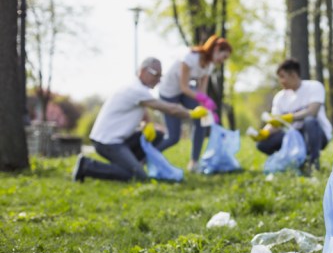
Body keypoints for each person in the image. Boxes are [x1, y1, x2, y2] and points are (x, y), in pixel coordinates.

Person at [72, 57, 208, 182]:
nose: (159, 80)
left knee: (158, 135)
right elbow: (169, 109)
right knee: (138, 176)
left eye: (161, 76)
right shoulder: (135, 89)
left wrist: (147, 123)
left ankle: (131, 164)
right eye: (156, 75)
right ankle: (87, 166)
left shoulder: (137, 89)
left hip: (119, 141)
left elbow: (141, 110)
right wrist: (191, 114)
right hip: (107, 142)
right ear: (143, 71)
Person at [156, 34, 232, 172]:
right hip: (169, 93)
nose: (223, 61)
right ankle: (150, 155)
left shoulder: (209, 66)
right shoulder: (190, 58)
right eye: (224, 56)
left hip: (184, 93)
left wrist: (207, 109)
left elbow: (201, 91)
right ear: (216, 49)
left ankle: (194, 162)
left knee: (203, 118)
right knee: (173, 137)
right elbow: (184, 86)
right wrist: (204, 99)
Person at [251, 58, 333, 172]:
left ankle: (313, 164)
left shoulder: (314, 87)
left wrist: (289, 117)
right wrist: (264, 133)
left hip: (316, 134)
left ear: (293, 75)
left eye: (282, 76)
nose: (281, 81)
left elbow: (312, 111)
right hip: (292, 136)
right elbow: (275, 122)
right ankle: (291, 161)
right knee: (262, 144)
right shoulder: (280, 97)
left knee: (310, 121)